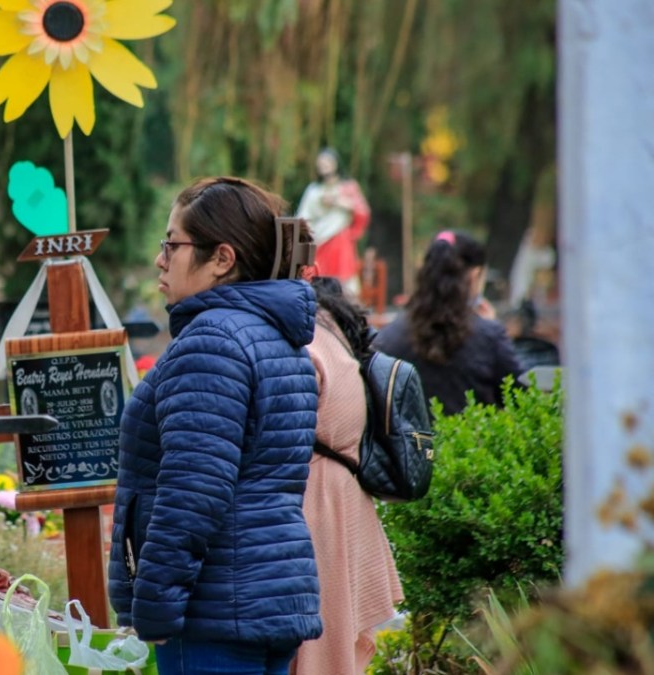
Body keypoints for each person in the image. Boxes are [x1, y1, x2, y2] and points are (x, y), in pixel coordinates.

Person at [108, 177, 322, 675]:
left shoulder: (211, 341)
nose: (161, 260)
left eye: (173, 244)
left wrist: (156, 604)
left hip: (214, 610)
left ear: (222, 259)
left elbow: (193, 488)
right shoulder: (274, 337)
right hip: (268, 596)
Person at [291, 277, 404, 675]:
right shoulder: (335, 338)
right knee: (336, 644)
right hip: (344, 497)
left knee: (319, 645)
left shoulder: (306, 343)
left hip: (316, 503)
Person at [373, 230, 525, 415]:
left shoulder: (390, 336)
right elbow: (519, 398)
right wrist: (493, 332)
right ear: (475, 275)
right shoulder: (488, 335)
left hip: (411, 443)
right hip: (472, 442)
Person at [296, 148, 371, 295]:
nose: (324, 166)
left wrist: (338, 202)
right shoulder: (314, 190)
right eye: (321, 164)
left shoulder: (347, 187)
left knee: (344, 284)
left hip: (340, 240)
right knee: (318, 280)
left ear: (336, 164)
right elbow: (303, 217)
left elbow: (362, 211)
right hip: (319, 241)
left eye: (327, 163)